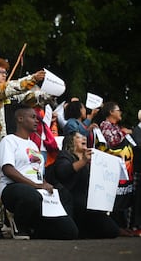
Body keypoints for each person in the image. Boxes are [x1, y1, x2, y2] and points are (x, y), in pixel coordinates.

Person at [0, 56, 46, 238]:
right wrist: (32, 78)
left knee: (17, 180)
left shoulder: (9, 94)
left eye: (6, 72)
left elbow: (31, 97)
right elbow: (9, 88)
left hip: (13, 143)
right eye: (1, 71)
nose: (4, 75)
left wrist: (49, 91)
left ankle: (13, 222)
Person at [0, 104, 78, 240]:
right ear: (20, 118)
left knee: (70, 231)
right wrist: (36, 186)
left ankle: (36, 228)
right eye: (33, 117)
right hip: (14, 189)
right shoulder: (9, 141)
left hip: (37, 191)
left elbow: (38, 173)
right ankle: (18, 224)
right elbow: (8, 170)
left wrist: (45, 185)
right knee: (31, 195)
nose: (37, 121)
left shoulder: (33, 145)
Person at [53, 132, 119, 238]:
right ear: (71, 142)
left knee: (113, 230)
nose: (84, 138)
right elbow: (63, 172)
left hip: (88, 207)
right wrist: (83, 161)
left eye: (84, 137)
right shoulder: (65, 156)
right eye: (79, 137)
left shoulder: (89, 161)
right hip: (71, 204)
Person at [98, 101, 136, 236]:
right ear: (111, 112)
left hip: (124, 169)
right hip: (111, 170)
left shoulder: (116, 127)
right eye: (118, 110)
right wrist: (124, 133)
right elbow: (112, 141)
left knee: (122, 200)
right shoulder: (105, 125)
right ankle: (117, 228)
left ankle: (122, 226)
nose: (120, 113)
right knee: (115, 200)